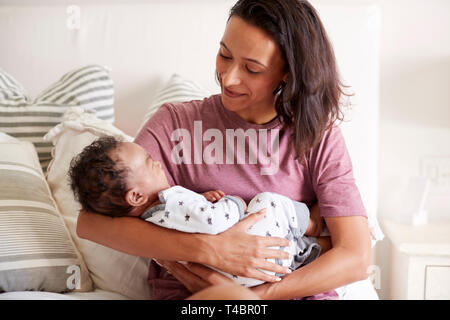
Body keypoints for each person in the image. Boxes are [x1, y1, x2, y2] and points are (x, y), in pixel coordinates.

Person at [76, 0, 371, 300]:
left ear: (287, 73)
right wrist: (212, 250)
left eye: (252, 69)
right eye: (224, 55)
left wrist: (258, 296)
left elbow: (356, 257)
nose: (228, 78)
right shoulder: (176, 124)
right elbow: (91, 224)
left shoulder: (317, 136)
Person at [69, 136, 331, 287]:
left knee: (295, 246)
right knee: (267, 202)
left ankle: (314, 244)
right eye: (150, 163)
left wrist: (200, 200)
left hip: (249, 278)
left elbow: (194, 217)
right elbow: (215, 221)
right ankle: (312, 223)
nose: (158, 162)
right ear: (136, 195)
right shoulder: (169, 201)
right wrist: (235, 203)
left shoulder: (154, 219)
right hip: (258, 249)